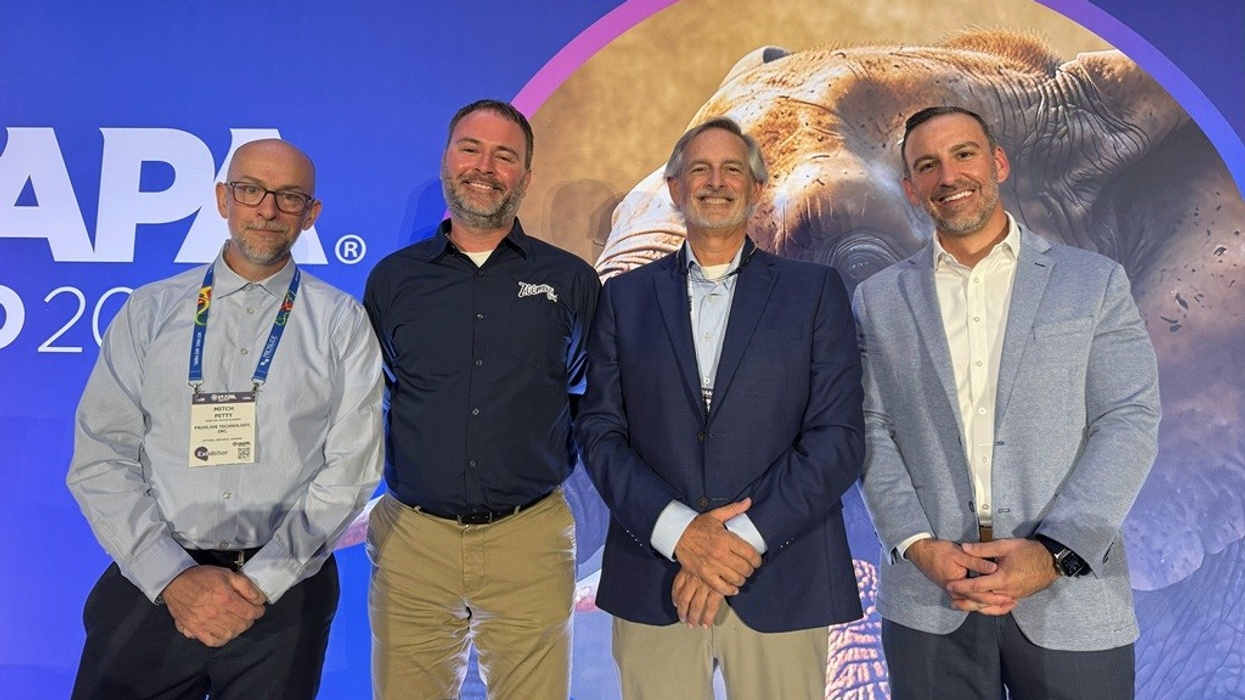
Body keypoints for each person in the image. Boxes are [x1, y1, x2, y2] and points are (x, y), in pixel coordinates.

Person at [854, 105, 1162, 699]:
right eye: (928, 165)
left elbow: (1129, 419)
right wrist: (918, 547)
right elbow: (870, 427)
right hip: (930, 599)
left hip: (1071, 595)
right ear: (912, 190)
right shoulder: (878, 299)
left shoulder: (1094, 282)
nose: (949, 176)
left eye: (964, 154)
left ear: (997, 162)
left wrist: (1053, 554)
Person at [66, 138, 384, 699]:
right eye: (251, 190)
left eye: (289, 197)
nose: (268, 209)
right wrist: (172, 576)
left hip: (284, 601)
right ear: (222, 199)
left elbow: (352, 469)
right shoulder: (149, 310)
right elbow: (101, 455)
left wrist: (259, 584)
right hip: (153, 584)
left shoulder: (342, 323)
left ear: (312, 215)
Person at [575, 116, 865, 698]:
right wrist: (682, 534)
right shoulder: (623, 297)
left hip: (780, 575)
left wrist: (737, 543)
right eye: (699, 170)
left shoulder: (815, 292)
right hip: (657, 579)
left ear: (757, 190)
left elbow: (837, 440)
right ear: (676, 188)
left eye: (733, 168)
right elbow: (601, 432)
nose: (716, 181)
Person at [363, 99, 599, 700]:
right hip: (414, 541)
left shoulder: (571, 279)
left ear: (526, 174)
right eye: (471, 148)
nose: (484, 166)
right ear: (447, 159)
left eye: (505, 156)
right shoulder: (393, 280)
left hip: (531, 537)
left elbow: (587, 390)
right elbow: (376, 392)